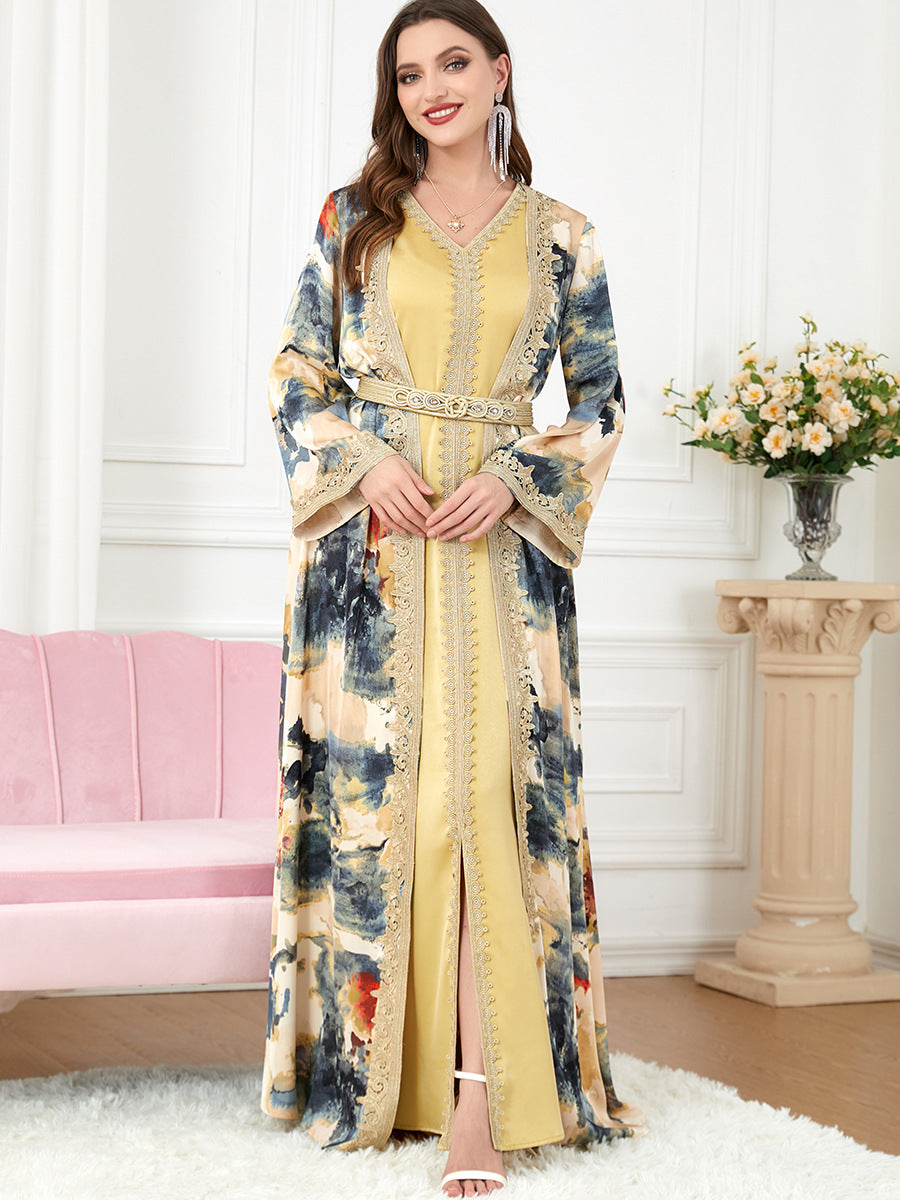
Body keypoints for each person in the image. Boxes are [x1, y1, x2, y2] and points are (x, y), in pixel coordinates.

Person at [260, 1, 646, 1193]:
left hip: (501, 555)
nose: (433, 88)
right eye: (410, 73)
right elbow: (296, 374)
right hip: (373, 557)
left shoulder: (564, 236)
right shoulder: (353, 222)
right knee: (398, 808)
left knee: (488, 804)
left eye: (454, 63)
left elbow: (602, 402)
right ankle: (387, 1080)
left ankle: (481, 1100)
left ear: (499, 72)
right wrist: (365, 459)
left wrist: (517, 475)